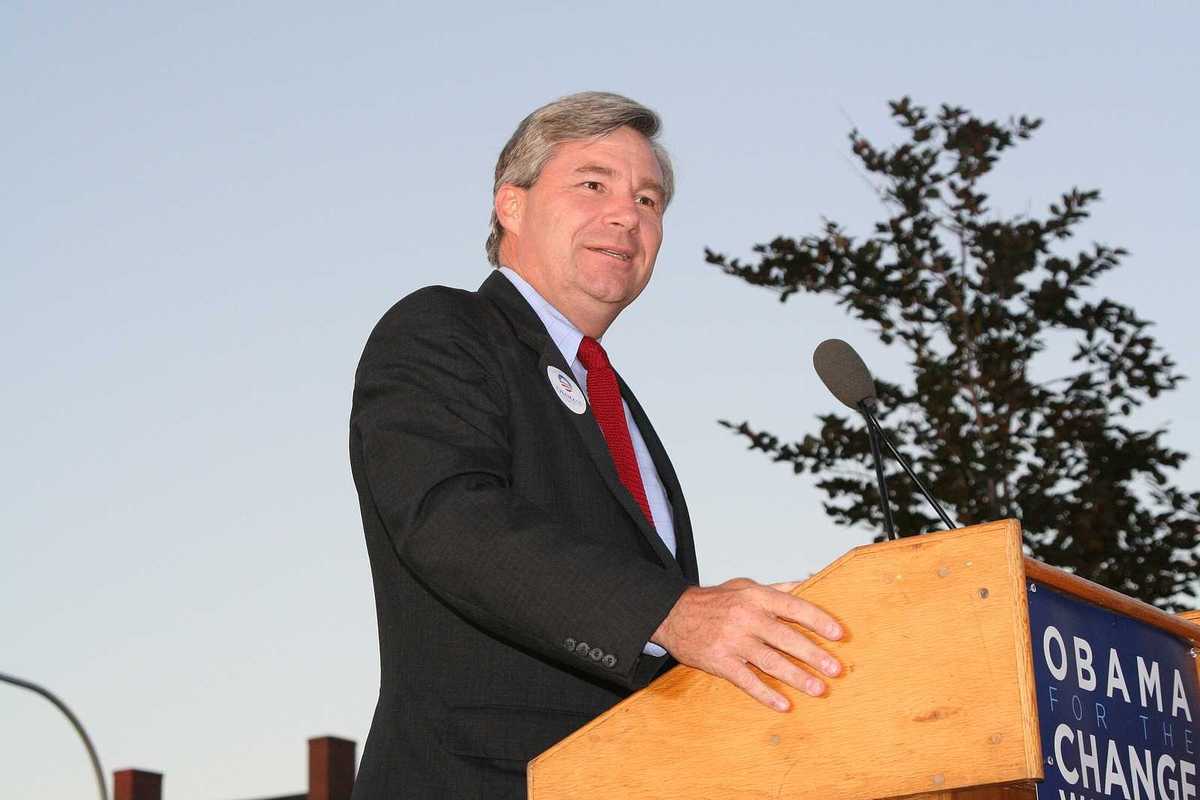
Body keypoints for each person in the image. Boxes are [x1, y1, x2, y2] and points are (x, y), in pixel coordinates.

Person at [348, 91, 844, 799]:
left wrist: (717, 623)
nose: (627, 215)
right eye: (593, 184)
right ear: (510, 205)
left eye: (649, 200)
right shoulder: (443, 329)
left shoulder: (621, 406)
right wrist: (672, 611)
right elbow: (450, 520)